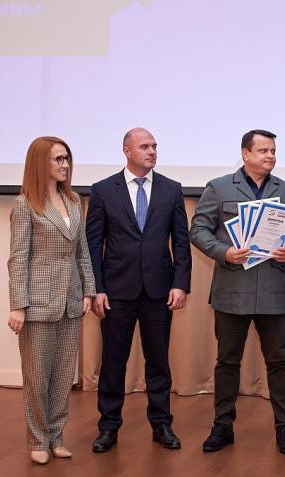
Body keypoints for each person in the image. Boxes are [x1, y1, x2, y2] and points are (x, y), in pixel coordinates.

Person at [189, 129, 285, 455]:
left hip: (273, 292)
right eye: (263, 151)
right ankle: (222, 427)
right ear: (245, 154)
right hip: (232, 291)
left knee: (279, 363)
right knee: (227, 362)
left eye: (273, 151)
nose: (270, 156)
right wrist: (224, 252)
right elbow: (198, 230)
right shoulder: (219, 187)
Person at [85, 128, 192, 452]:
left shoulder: (171, 189)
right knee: (113, 363)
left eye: (154, 146)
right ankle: (108, 428)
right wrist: (97, 289)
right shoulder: (104, 190)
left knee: (158, 362)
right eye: (144, 146)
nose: (152, 151)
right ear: (127, 151)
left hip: (159, 291)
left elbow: (182, 242)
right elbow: (93, 245)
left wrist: (180, 283)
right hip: (116, 291)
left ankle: (162, 425)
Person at [7, 136, 96, 464]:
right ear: (40, 162)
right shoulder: (25, 204)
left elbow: (82, 251)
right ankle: (37, 440)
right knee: (37, 378)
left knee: (62, 377)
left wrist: (88, 290)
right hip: (37, 304)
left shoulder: (73, 200)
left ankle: (57, 437)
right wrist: (18, 305)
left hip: (70, 302)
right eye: (58, 159)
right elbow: (18, 258)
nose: (65, 165)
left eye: (67, 159)